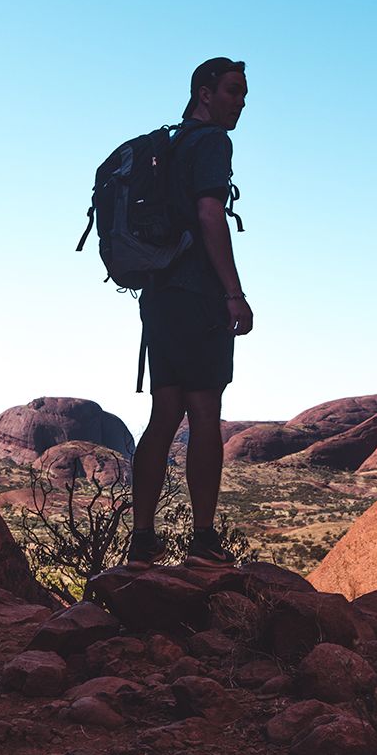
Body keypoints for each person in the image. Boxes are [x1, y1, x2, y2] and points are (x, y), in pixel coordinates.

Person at [127, 58, 253, 568]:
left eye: (243, 94)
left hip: (158, 295)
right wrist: (233, 292)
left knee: (164, 413)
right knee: (204, 414)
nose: (240, 102)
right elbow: (209, 214)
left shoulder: (171, 144)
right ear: (205, 92)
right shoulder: (211, 143)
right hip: (197, 295)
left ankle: (142, 540)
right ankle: (203, 540)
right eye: (232, 91)